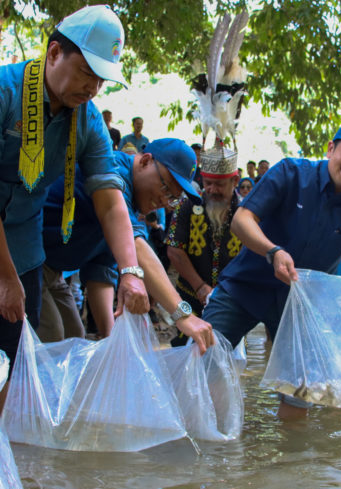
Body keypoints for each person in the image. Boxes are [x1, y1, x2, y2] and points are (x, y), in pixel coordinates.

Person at [202, 118, 341, 417]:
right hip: (245, 286)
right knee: (205, 358)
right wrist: (273, 251)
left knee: (300, 393)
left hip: (301, 307)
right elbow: (241, 220)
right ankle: (212, 439)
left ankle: (293, 460)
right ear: (331, 148)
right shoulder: (291, 173)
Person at [0, 5, 150, 411]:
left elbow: (110, 202)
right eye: (86, 72)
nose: (93, 88)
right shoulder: (5, 93)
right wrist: (4, 276)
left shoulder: (86, 121)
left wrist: (131, 272)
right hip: (5, 258)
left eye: (101, 79)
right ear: (53, 54)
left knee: (9, 365)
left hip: (27, 252)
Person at [39, 139, 214, 351]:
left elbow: (100, 273)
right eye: (167, 189)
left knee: (73, 338)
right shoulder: (111, 171)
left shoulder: (130, 205)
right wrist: (182, 315)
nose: (165, 202)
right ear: (146, 161)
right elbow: (134, 243)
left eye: (174, 199)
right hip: (25, 262)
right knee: (52, 340)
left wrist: (112, 338)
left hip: (52, 272)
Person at [166, 148, 242, 346]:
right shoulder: (187, 204)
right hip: (190, 295)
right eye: (208, 183)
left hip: (230, 299)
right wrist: (200, 287)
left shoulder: (245, 211)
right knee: (186, 349)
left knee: (224, 353)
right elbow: (174, 250)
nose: (212, 190)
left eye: (220, 184)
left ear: (235, 181)